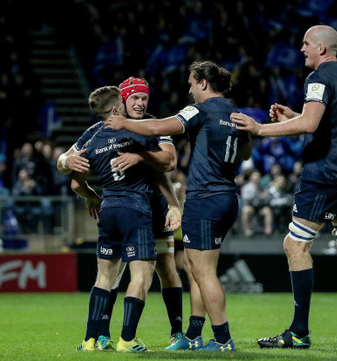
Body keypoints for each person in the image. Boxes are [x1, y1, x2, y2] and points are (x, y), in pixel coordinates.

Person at [230, 25, 337, 349]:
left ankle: (299, 332)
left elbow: (310, 123)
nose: (301, 49)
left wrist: (260, 128)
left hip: (324, 174)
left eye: (305, 43)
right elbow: (325, 122)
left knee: (295, 244)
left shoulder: (318, 78)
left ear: (321, 49)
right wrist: (295, 115)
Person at [104, 60, 252, 351]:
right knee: (194, 266)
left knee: (203, 270)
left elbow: (162, 126)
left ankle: (222, 339)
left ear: (203, 83)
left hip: (205, 197)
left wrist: (125, 123)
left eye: (191, 83)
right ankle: (194, 334)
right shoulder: (236, 113)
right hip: (226, 196)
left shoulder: (200, 109)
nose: (189, 89)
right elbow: (245, 152)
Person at [57, 78, 185, 349]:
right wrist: (67, 160)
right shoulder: (101, 130)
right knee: (128, 275)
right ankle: (113, 337)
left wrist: (173, 205)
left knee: (166, 269)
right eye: (133, 99)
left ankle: (175, 333)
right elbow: (63, 162)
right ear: (120, 104)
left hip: (152, 210)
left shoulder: (153, 125)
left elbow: (166, 166)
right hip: (135, 210)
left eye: (143, 98)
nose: (139, 103)